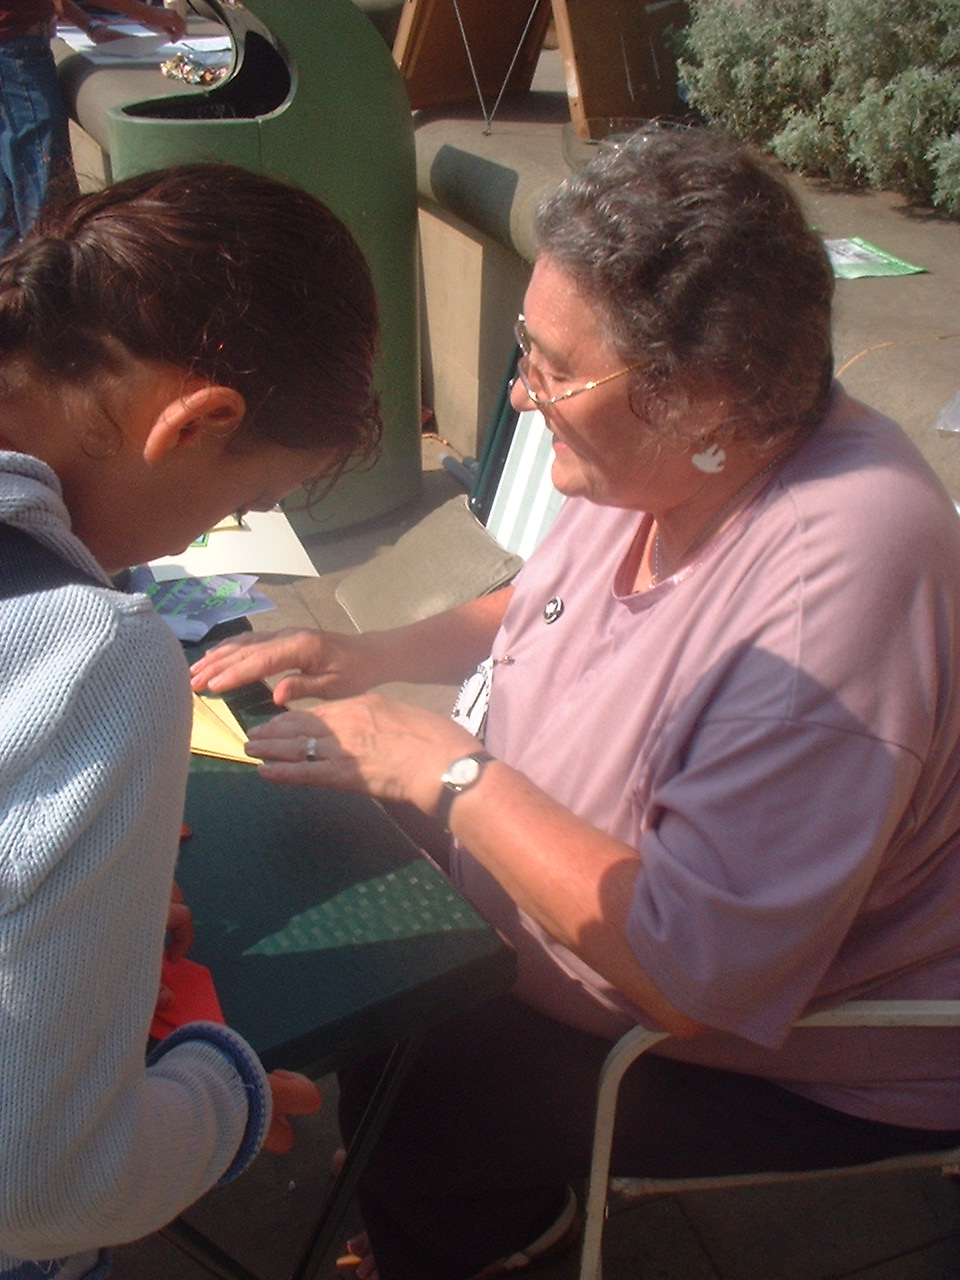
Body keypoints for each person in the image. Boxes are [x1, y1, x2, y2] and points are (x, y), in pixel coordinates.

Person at [190, 127, 960, 1280]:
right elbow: (542, 604)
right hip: (572, 910)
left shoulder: (828, 596)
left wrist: (452, 771)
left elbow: (695, 975)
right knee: (342, 873)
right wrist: (367, 651)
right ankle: (447, 1207)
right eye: (522, 349)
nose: (520, 391)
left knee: (428, 1087)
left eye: (552, 367)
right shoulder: (676, 457)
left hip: (787, 1040)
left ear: (701, 394)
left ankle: (479, 1231)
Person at [0, 161, 382, 1279]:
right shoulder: (91, 658)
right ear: (199, 420)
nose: (194, 541)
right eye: (245, 501)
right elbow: (48, 1181)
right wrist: (224, 1088)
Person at [0, 0, 186, 256]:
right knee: (47, 202)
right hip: (15, 53)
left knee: (9, 207)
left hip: (13, 48)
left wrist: (90, 27)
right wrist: (150, 15)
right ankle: (49, 288)